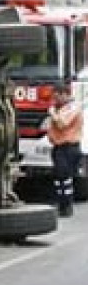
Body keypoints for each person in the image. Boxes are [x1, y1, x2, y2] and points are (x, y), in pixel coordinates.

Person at [47, 83, 83, 217]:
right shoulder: (60, 108)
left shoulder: (72, 108)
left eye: (57, 97)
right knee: (58, 178)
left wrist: (52, 113)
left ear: (65, 95)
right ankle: (61, 204)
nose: (55, 100)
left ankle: (67, 206)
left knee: (65, 178)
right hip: (58, 147)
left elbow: (62, 123)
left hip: (69, 147)